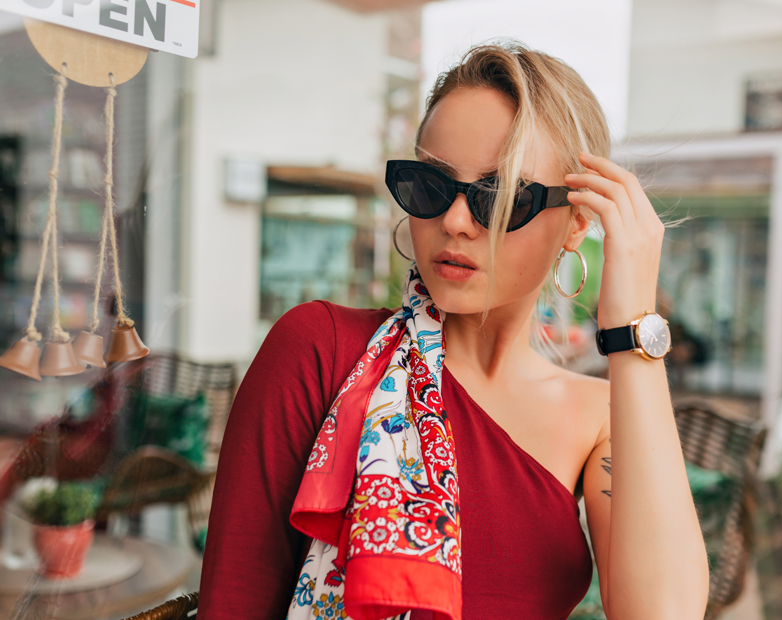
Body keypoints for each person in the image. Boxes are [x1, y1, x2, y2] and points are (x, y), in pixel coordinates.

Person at [198, 40, 710, 620]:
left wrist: (633, 327)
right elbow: (234, 601)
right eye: (431, 186)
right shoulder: (323, 351)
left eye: (500, 196)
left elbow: (664, 612)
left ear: (577, 223)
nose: (455, 220)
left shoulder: (597, 418)